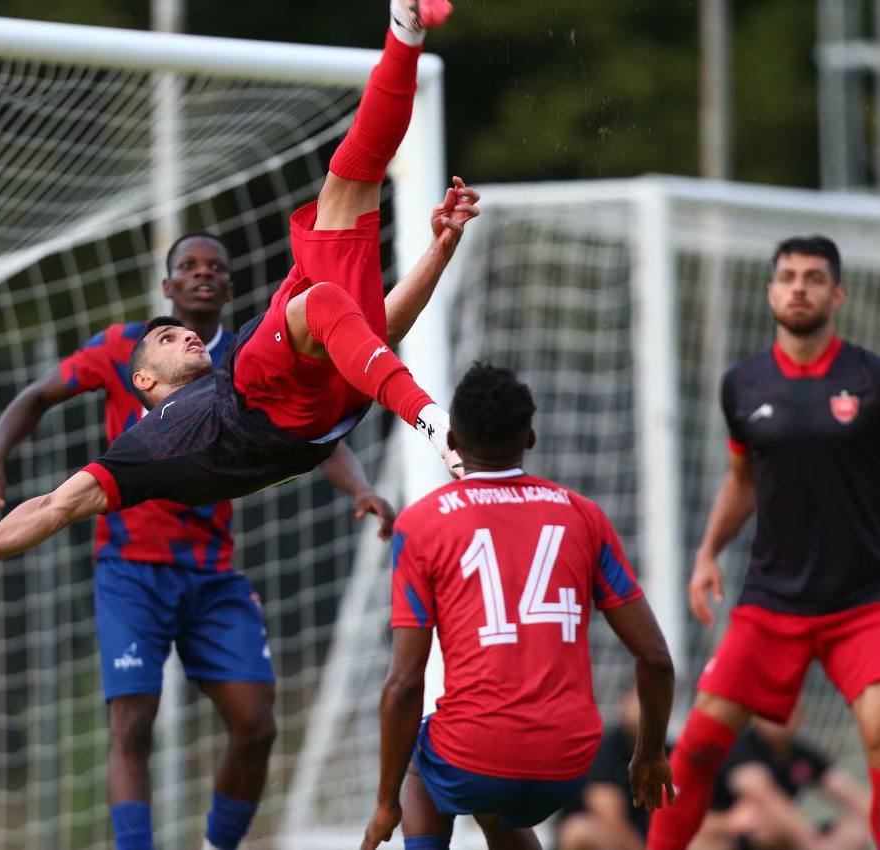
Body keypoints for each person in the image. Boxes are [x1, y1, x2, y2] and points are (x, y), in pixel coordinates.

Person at [0, 1, 477, 601]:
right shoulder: (147, 444)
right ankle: (435, 421)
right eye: (167, 339)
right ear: (143, 380)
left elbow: (378, 331)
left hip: (327, 400)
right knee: (327, 292)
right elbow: (49, 506)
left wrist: (440, 247)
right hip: (266, 404)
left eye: (181, 331)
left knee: (351, 181)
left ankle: (403, 31)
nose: (186, 334)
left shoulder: (237, 361)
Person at [0, 231, 397, 850]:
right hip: (132, 567)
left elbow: (313, 422)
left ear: (228, 286)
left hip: (210, 569)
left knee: (256, 725)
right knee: (132, 723)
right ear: (167, 287)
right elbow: (39, 395)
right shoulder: (124, 347)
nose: (203, 274)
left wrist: (358, 488)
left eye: (216, 266)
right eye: (188, 267)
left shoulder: (248, 358)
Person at [360, 363, 676, 850]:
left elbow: (404, 683)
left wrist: (385, 804)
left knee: (422, 765)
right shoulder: (584, 516)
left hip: (476, 753)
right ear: (530, 436)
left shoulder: (421, 525)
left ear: (454, 438)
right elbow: (655, 658)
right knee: (496, 806)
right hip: (572, 763)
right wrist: (650, 754)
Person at [646, 235, 880, 850]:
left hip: (862, 601)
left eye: (813, 276)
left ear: (838, 294)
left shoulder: (870, 378)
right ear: (772, 291)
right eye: (788, 276)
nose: (799, 286)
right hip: (772, 601)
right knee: (695, 747)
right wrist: (706, 553)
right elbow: (743, 479)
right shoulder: (743, 385)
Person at [689, 715, 872, 850]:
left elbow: (849, 792)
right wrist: (812, 842)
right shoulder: (741, 750)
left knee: (855, 830)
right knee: (769, 826)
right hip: (726, 834)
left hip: (787, 834)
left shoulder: (800, 752)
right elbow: (765, 796)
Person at [556, 687, 657, 850]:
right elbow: (607, 814)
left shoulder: (669, 752)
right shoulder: (605, 748)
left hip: (649, 836)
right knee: (579, 831)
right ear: (624, 702)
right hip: (613, 839)